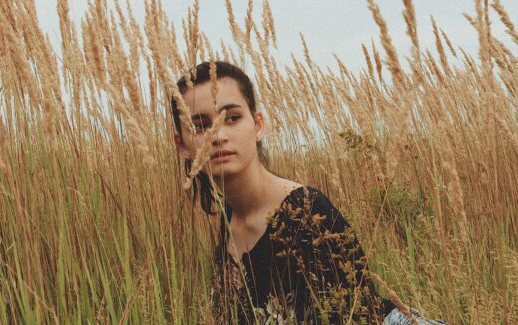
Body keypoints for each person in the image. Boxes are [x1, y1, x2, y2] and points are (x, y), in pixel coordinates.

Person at [171, 61, 443, 324]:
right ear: (181, 144)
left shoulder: (304, 214)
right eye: (200, 126)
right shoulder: (230, 221)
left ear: (258, 125)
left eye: (232, 118)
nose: (218, 136)